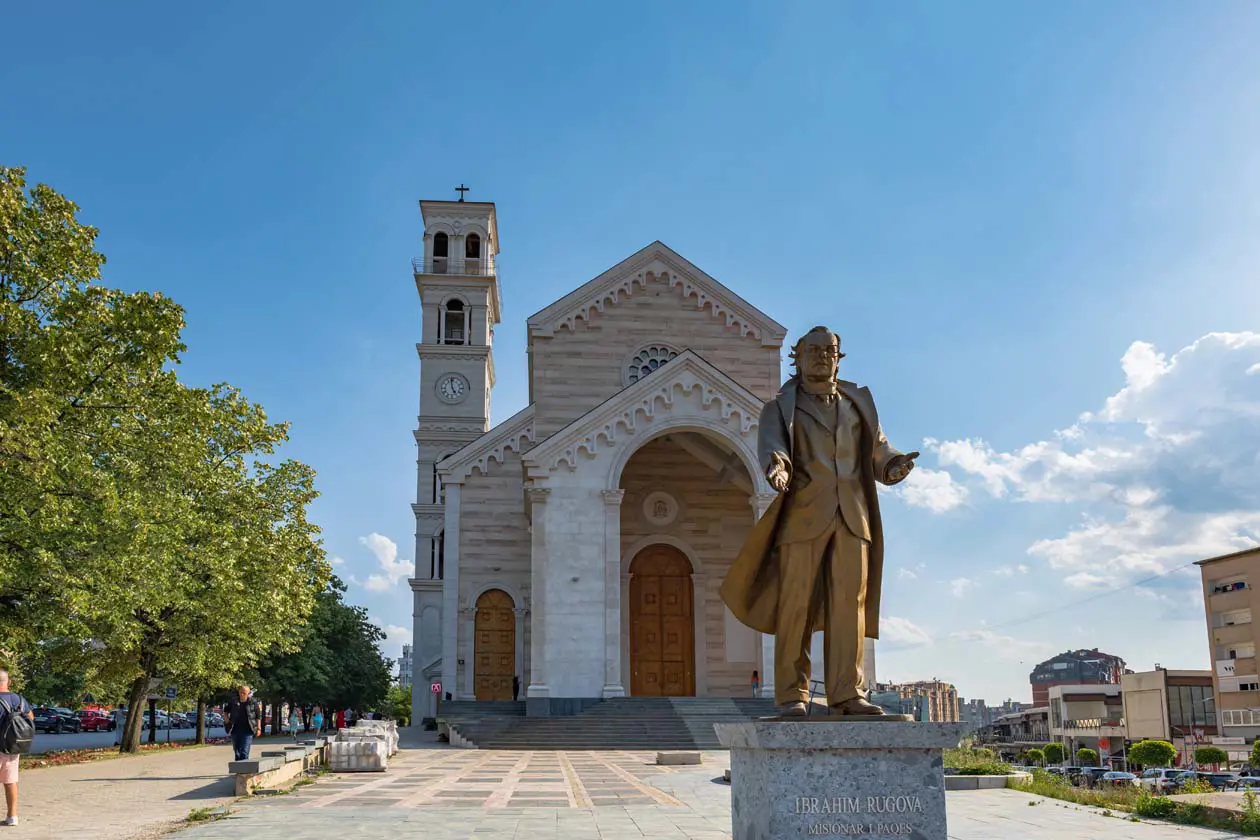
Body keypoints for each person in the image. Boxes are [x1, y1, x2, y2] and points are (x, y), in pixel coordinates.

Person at [722, 327, 917, 717]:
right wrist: (776, 467)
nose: (821, 356)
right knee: (796, 606)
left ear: (839, 356)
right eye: (813, 350)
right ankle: (792, 695)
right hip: (803, 516)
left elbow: (878, 448)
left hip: (853, 516)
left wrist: (893, 464)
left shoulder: (856, 404)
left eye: (829, 350)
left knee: (851, 604)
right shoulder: (780, 407)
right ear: (797, 356)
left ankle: (847, 693)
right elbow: (774, 446)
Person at [0, 669, 34, 827]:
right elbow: (30, 718)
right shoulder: (19, 699)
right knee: (10, 782)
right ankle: (12, 816)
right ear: (9, 682)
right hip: (12, 747)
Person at [223, 685, 262, 762]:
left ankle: (243, 772)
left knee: (244, 752)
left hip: (248, 730)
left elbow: (258, 716)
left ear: (248, 693)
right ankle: (238, 771)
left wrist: (259, 728)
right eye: (241, 692)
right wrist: (227, 722)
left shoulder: (253, 703)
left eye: (244, 693)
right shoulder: (233, 702)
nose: (242, 694)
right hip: (235, 730)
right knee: (237, 752)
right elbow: (225, 712)